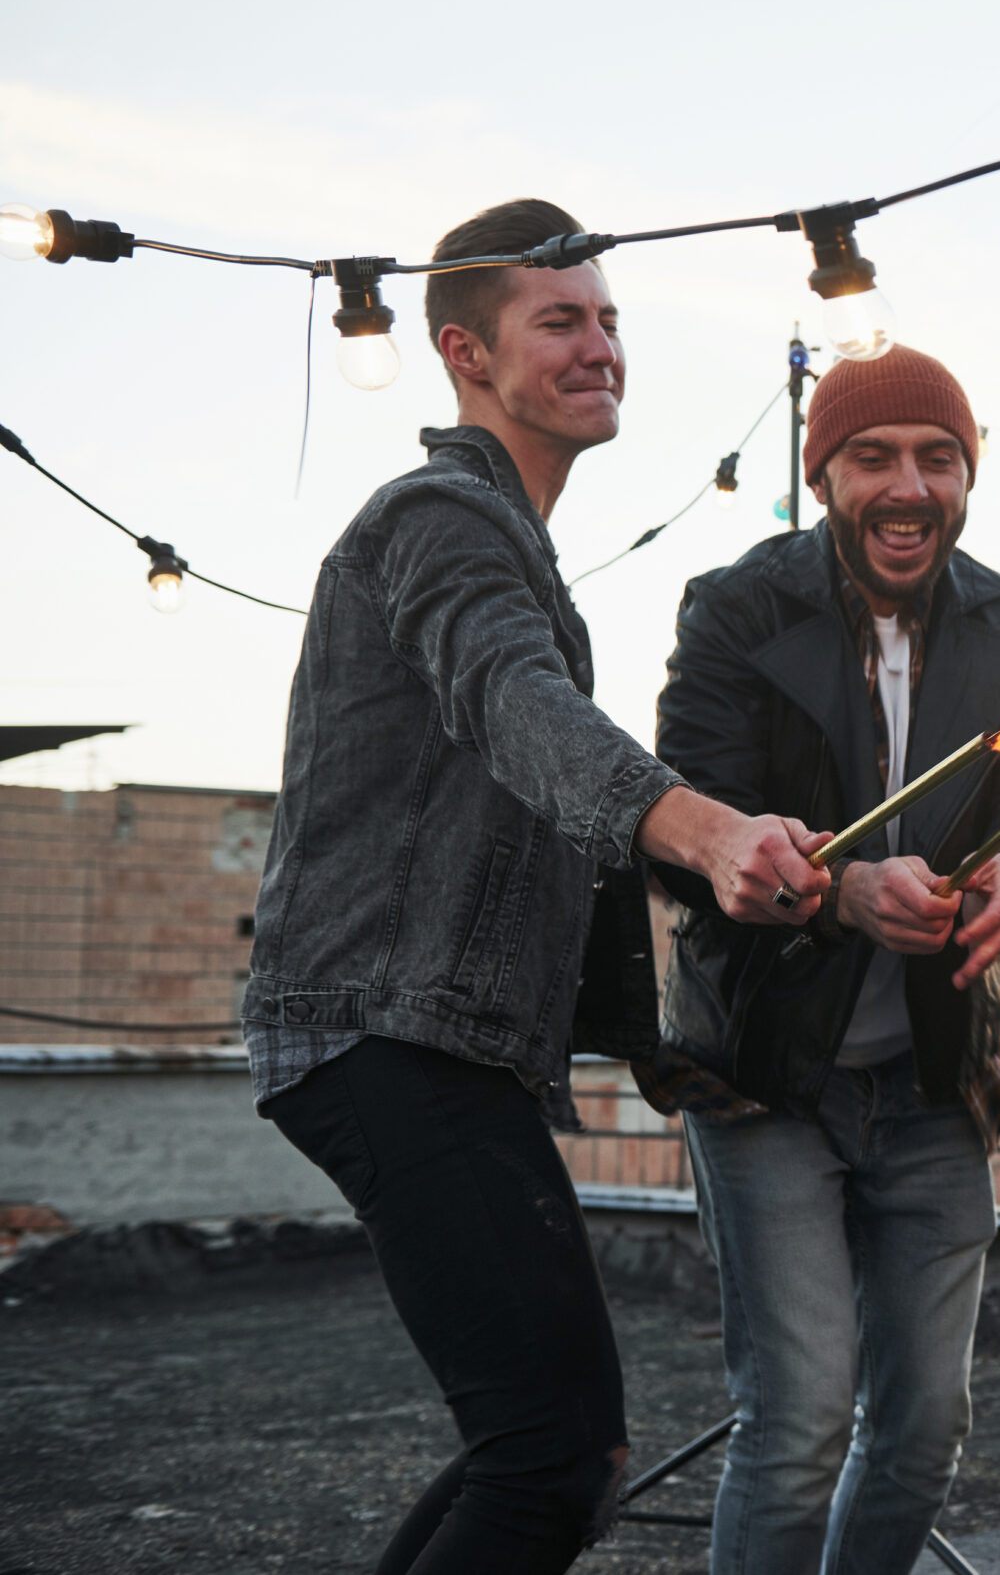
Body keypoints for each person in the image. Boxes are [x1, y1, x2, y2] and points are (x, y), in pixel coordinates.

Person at [243, 198, 832, 1574]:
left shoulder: (506, 536)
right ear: (465, 351)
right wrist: (705, 827)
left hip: (433, 1046)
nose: (599, 346)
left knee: (548, 1450)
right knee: (555, 1456)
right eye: (559, 321)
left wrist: (665, 1039)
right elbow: (518, 707)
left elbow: (524, 807)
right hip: (385, 1037)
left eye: (610, 320)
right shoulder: (442, 518)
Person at [650, 345, 1000, 1573]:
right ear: (823, 471)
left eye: (936, 458)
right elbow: (685, 836)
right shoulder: (733, 608)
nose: (908, 484)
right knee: (796, 1424)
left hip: (938, 1076)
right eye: (875, 457)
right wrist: (838, 893)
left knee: (926, 1429)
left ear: (967, 474)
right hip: (767, 1071)